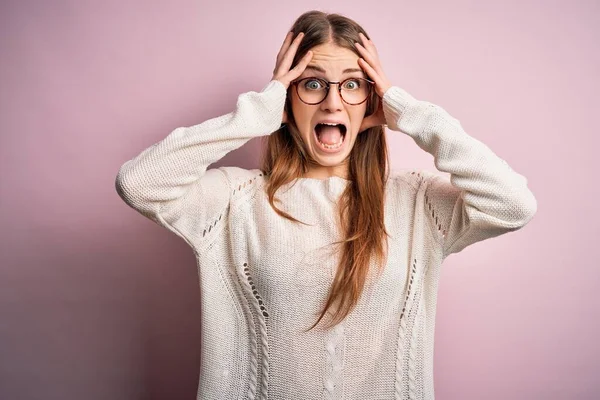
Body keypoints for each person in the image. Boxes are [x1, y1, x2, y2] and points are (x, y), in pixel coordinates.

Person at [115, 10, 537, 400]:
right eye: (313, 83)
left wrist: (410, 113)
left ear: (371, 100)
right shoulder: (232, 200)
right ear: (288, 98)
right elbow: (139, 183)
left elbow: (513, 204)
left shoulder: (417, 204)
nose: (333, 103)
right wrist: (255, 115)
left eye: (352, 84)